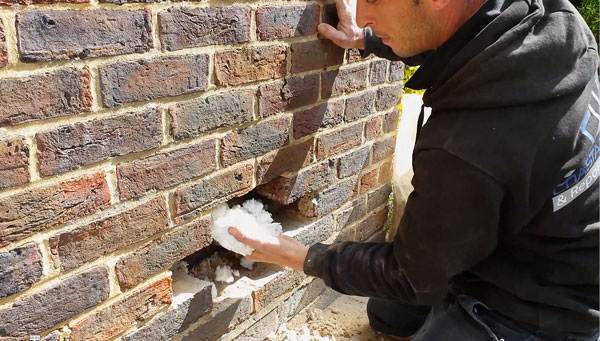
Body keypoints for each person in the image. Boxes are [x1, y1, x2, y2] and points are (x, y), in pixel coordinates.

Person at [229, 0, 600, 339]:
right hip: (522, 228)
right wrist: (368, 41)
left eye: (374, 1)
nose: (362, 16)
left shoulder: (470, 145)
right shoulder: (550, 21)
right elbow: (455, 36)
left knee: (413, 300)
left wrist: (299, 256)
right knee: (388, 315)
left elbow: (409, 276)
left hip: (551, 307)